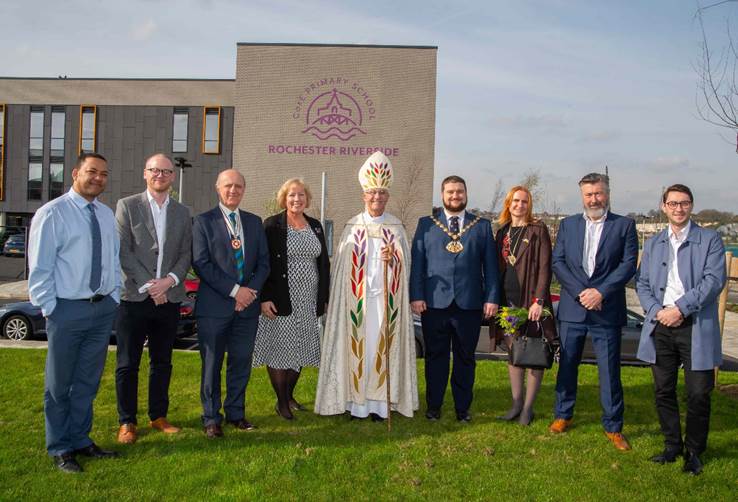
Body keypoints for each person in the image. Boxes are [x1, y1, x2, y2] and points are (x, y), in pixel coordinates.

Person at [28, 152, 121, 473]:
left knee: (87, 381)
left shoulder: (107, 215)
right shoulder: (52, 214)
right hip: (67, 310)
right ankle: (60, 447)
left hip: (101, 310)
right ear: (75, 173)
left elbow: (113, 259)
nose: (98, 178)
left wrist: (115, 296)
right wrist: (51, 309)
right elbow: (39, 268)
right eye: (92, 172)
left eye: (104, 174)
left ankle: (81, 438)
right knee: (59, 384)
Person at [315, 152, 418, 420]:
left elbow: (406, 265)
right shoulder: (351, 227)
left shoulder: (396, 227)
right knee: (359, 350)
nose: (377, 199)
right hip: (356, 302)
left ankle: (380, 407)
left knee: (381, 350)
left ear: (387, 197)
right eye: (372, 194)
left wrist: (394, 259)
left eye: (382, 194)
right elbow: (341, 269)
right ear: (364, 196)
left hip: (386, 302)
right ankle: (357, 406)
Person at [636, 184, 726, 475]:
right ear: (663, 206)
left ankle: (695, 452)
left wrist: (680, 309)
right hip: (660, 324)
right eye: (673, 203)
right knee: (663, 390)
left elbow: (713, 281)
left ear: (691, 206)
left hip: (695, 325)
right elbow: (643, 284)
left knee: (699, 392)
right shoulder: (653, 243)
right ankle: (672, 446)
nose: (678, 208)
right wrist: (657, 311)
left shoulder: (709, 239)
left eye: (684, 203)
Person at [549, 173, 638, 451]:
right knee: (567, 366)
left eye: (598, 193)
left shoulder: (624, 225)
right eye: (588, 194)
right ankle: (563, 414)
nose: (594, 199)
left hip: (606, 310)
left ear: (607, 193)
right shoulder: (568, 225)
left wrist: (601, 292)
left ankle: (613, 426)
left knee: (609, 371)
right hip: (573, 310)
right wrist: (581, 293)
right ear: (581, 196)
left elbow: (627, 265)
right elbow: (558, 262)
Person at [114, 153, 192, 444]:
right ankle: (127, 421)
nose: (160, 175)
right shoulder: (127, 206)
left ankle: (158, 416)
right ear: (145, 174)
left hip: (169, 299)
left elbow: (186, 253)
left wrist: (169, 282)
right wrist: (152, 286)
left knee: (162, 362)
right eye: (154, 170)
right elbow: (123, 252)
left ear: (173, 177)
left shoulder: (183, 212)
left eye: (166, 171)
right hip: (135, 297)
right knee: (127, 363)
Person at [410, 175, 499, 422]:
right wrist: (416, 295)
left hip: (469, 304)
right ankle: (434, 407)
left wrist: (491, 298)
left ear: (466, 194)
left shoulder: (481, 226)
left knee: (465, 358)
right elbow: (418, 263)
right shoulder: (426, 224)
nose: (455, 196)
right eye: (450, 192)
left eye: (459, 191)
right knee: (435, 358)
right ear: (442, 195)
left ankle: (462, 409)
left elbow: (490, 267)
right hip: (434, 304)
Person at [192, 169, 270, 438]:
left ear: (243, 190)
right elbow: (201, 264)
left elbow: (263, 263)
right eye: (228, 186)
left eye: (238, 186)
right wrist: (235, 291)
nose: (233, 190)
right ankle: (211, 417)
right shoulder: (202, 222)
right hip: (214, 308)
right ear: (218, 188)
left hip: (247, 308)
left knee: (240, 361)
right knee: (211, 364)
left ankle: (236, 413)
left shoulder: (253, 222)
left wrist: (249, 293)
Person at [254, 178, 330, 420]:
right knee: (280, 349)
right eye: (291, 195)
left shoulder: (315, 225)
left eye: (301, 195)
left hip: (308, 299)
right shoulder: (272, 225)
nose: (297, 199)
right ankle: (281, 402)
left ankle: (289, 396)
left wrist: (323, 297)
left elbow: (324, 264)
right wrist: (264, 298)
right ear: (284, 199)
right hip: (280, 298)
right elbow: (262, 264)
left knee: (302, 347)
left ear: (307, 199)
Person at [492, 186, 556, 426]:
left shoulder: (537, 230)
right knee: (514, 352)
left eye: (525, 201)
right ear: (508, 204)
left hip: (531, 302)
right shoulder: (502, 232)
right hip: (508, 302)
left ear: (529, 205)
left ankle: (528, 408)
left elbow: (544, 267)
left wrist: (539, 300)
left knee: (533, 353)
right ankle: (516, 403)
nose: (520, 205)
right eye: (516, 201)